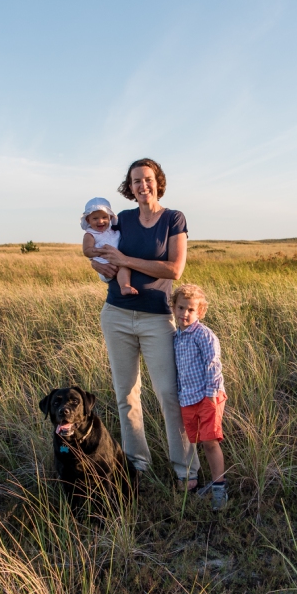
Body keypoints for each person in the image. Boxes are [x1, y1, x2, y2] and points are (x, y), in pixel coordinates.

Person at [91, 158, 200, 491]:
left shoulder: (173, 219)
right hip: (117, 315)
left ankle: (186, 471)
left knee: (168, 393)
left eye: (148, 179)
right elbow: (98, 244)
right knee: (126, 395)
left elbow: (174, 269)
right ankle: (136, 467)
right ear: (130, 186)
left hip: (156, 318)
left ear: (158, 181)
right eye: (136, 181)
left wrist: (126, 260)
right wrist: (102, 265)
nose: (142, 185)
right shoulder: (121, 219)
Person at [171, 284, 228, 510]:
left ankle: (220, 490)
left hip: (208, 396)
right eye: (181, 307)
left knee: (210, 442)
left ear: (200, 312)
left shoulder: (203, 335)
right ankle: (211, 482)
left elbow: (213, 364)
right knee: (197, 441)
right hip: (188, 398)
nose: (185, 313)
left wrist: (211, 395)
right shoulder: (177, 337)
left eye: (191, 310)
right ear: (173, 308)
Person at [81, 197, 136, 296]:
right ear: (88, 220)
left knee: (124, 267)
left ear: (110, 218)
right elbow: (87, 251)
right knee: (123, 267)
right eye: (95, 218)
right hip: (104, 265)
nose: (100, 221)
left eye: (104, 217)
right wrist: (101, 251)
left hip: (117, 261)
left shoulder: (113, 231)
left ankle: (125, 286)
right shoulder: (90, 234)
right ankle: (124, 286)